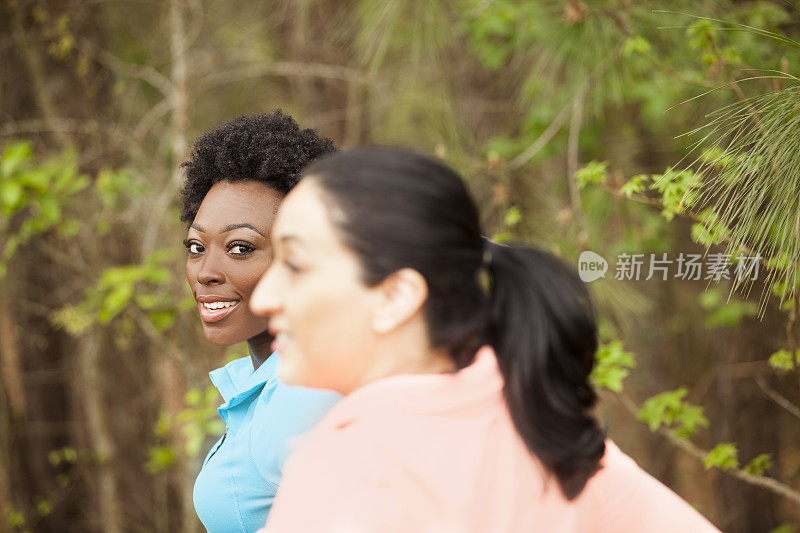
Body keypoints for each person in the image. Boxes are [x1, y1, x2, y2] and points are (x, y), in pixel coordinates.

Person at [249, 146, 720, 532]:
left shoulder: (344, 468)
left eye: (294, 264)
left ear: (396, 297)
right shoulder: (547, 433)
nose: (263, 297)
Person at [180, 111, 340, 532]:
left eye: (239, 248)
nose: (205, 272)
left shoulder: (304, 392)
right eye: (196, 246)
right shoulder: (265, 383)